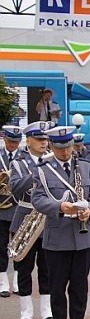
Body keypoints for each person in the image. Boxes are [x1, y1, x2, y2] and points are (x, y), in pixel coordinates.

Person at [31, 125, 90, 319]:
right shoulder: (43, 170)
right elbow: (38, 199)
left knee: (80, 288)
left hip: (82, 238)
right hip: (56, 238)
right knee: (57, 288)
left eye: (68, 147)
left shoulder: (83, 165)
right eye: (60, 148)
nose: (65, 152)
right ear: (52, 146)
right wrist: (60, 207)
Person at [9, 122, 53, 319]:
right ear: (29, 141)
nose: (44, 143)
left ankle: (47, 310)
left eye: (46, 139)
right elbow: (16, 187)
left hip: (47, 219)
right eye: (40, 139)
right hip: (25, 215)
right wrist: (36, 172)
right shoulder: (18, 163)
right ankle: (26, 311)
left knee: (47, 268)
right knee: (23, 267)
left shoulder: (53, 161)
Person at [0, 125, 21, 298]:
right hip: (1, 207)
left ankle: (17, 281)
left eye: (16, 141)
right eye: (10, 141)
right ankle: (2, 282)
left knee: (18, 246)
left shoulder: (23, 158)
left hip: (18, 208)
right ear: (4, 139)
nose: (13, 145)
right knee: (0, 246)